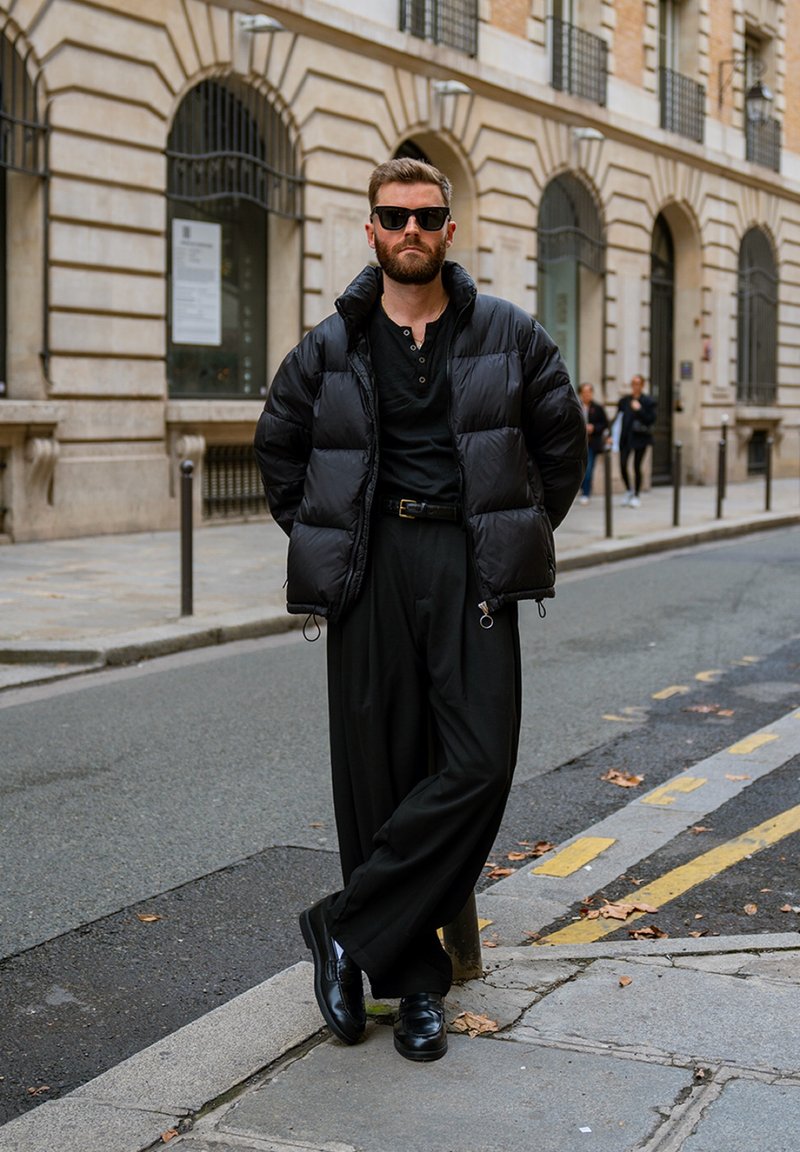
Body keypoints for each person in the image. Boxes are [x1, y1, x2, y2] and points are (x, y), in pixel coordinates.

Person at [253, 157, 586, 1063]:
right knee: (378, 774)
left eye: (427, 217)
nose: (411, 230)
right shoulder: (330, 346)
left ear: (449, 229)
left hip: (468, 562)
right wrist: (332, 536)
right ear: (371, 229)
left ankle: (343, 925)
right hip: (373, 567)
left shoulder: (510, 334)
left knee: (480, 763)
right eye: (395, 216)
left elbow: (562, 448)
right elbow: (279, 447)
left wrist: (510, 533)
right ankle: (411, 986)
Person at [617, 373, 656, 507]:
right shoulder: (624, 401)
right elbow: (618, 418)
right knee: (622, 465)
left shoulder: (648, 401)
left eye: (637, 384)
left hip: (640, 438)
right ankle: (629, 490)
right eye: (633, 383)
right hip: (626, 437)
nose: (635, 386)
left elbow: (651, 419)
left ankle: (637, 495)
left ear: (642, 385)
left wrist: (639, 409)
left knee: (636, 466)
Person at [578, 382, 609, 504]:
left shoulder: (597, 408)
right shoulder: (576, 406)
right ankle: (582, 487)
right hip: (578, 444)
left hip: (592, 444)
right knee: (579, 469)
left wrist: (594, 428)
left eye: (589, 392)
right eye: (584, 392)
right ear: (581, 393)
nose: (587, 394)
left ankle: (586, 493)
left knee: (589, 468)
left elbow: (605, 424)